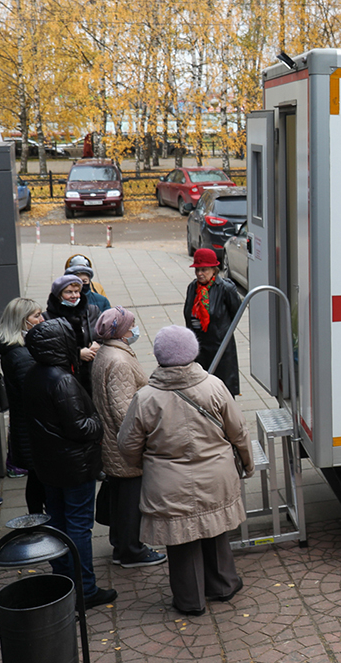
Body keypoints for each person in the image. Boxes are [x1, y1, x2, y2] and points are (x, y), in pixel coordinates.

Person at [117, 325, 252, 616]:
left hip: (168, 484)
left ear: (159, 356)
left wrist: (144, 465)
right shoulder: (214, 386)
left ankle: (191, 600)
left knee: (181, 540)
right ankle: (224, 585)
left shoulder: (146, 398)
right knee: (215, 530)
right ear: (193, 352)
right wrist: (246, 462)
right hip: (217, 477)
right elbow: (238, 431)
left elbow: (127, 445)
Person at [23, 318, 117, 610]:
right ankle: (85, 588)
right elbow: (80, 428)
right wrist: (99, 421)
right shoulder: (62, 380)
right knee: (77, 526)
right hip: (73, 467)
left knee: (58, 522)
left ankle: (64, 581)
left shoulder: (34, 374)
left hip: (49, 466)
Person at [91, 306, 166, 568]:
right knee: (130, 500)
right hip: (123, 446)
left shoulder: (107, 352)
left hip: (112, 442)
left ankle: (120, 545)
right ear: (121, 331)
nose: (135, 329)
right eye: (131, 324)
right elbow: (125, 411)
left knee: (120, 496)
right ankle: (132, 551)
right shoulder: (119, 361)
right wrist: (143, 440)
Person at [0, 297, 47, 515]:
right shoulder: (21, 355)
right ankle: (39, 521)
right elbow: (37, 394)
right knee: (39, 477)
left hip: (26, 425)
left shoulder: (14, 349)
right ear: (21, 321)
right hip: (32, 428)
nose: (42, 319)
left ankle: (37, 519)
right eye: (36, 315)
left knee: (37, 478)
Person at [184, 248, 241, 396]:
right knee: (201, 388)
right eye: (197, 270)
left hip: (220, 346)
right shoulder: (192, 288)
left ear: (214, 270)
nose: (199, 274)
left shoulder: (225, 288)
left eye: (204, 270)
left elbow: (236, 313)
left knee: (223, 388)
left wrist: (222, 331)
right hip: (199, 346)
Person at [45, 274, 101, 394]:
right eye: (69, 292)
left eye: (76, 291)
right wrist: (76, 355)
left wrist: (99, 344)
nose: (74, 296)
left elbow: (105, 334)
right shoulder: (48, 319)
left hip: (93, 376)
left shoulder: (92, 311)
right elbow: (48, 350)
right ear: (58, 295)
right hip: (66, 377)